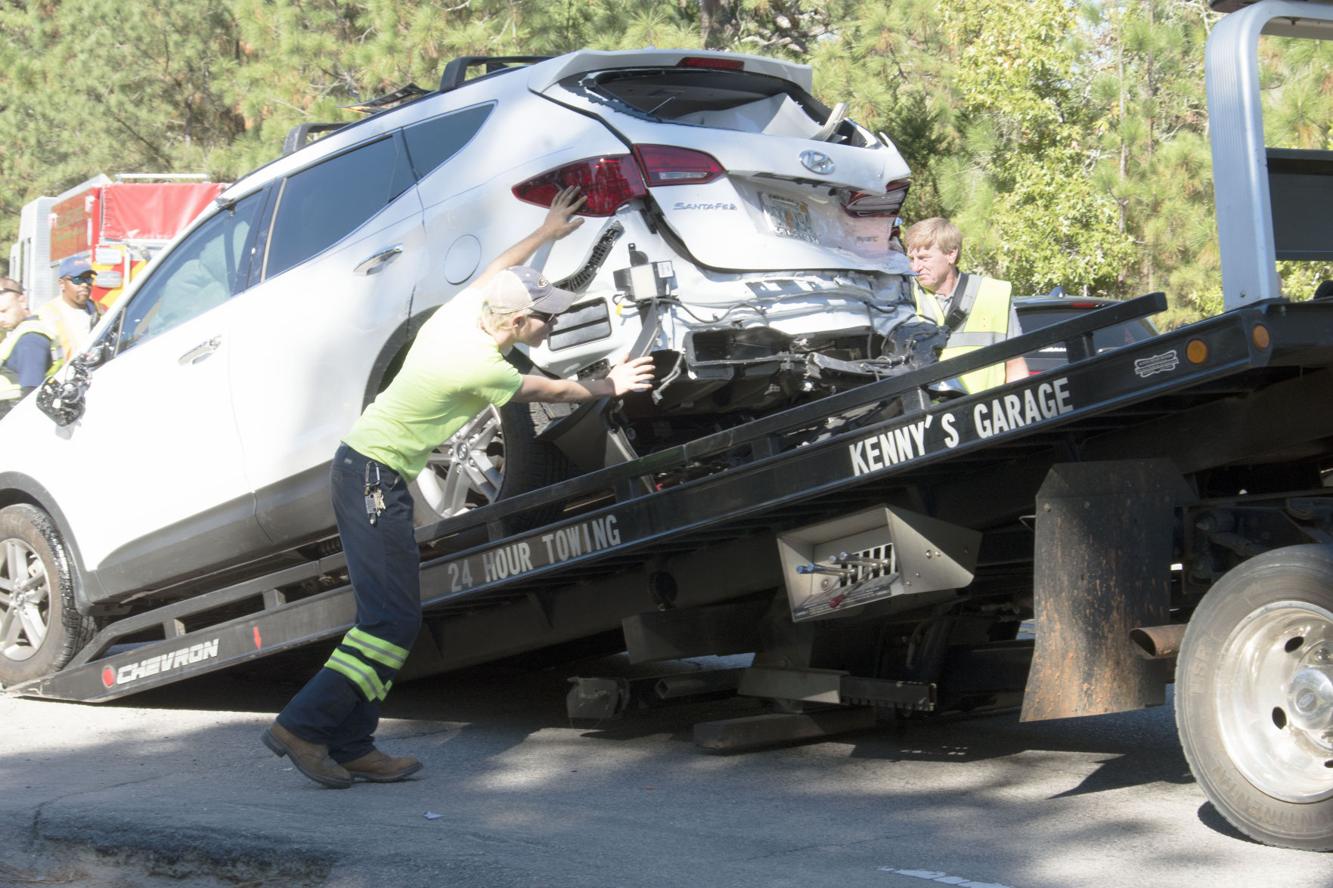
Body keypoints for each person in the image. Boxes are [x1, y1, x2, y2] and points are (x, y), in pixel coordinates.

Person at [263, 187, 655, 789]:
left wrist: (548, 232)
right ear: (517, 322)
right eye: (544, 315)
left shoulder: (466, 312)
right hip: (372, 474)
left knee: (394, 621)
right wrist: (611, 384)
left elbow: (500, 270)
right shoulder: (480, 365)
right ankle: (302, 725)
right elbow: (550, 392)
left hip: (370, 472)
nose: (551, 321)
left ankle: (352, 741)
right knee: (388, 622)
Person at [903, 217, 1028, 392]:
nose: (915, 267)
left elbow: (1015, 365)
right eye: (911, 259)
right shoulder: (905, 297)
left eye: (924, 258)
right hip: (934, 416)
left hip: (989, 411)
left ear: (951, 254)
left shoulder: (993, 294)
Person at [0, 278, 58, 419]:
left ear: (22, 301)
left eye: (4, 311)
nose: (0, 318)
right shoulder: (19, 333)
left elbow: (31, 396)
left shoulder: (30, 340)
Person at [39, 256, 101, 363]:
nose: (85, 284)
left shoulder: (99, 310)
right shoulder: (47, 315)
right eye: (77, 280)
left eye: (88, 279)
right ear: (62, 283)